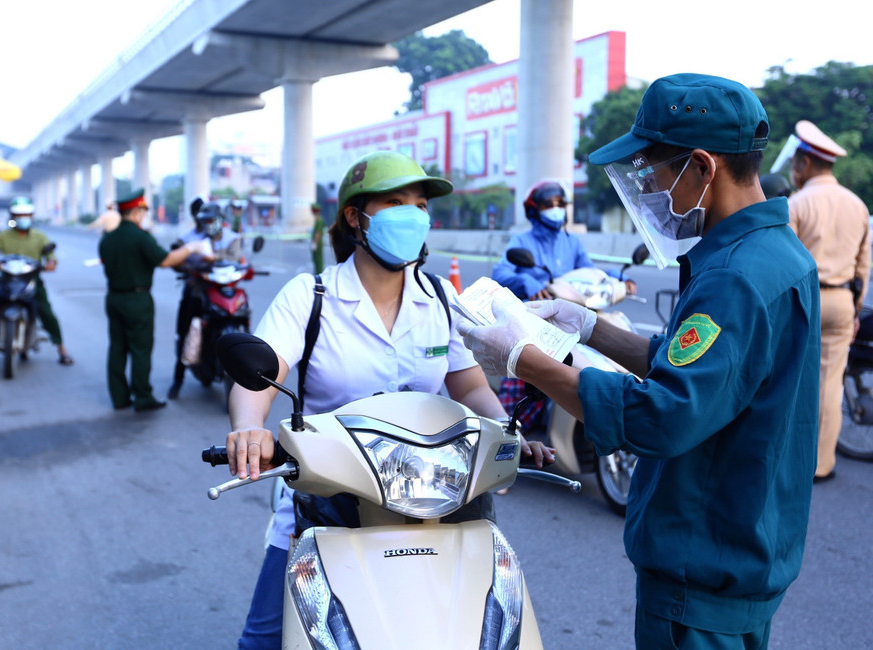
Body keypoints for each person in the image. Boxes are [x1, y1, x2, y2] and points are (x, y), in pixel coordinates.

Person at [457, 74, 820, 649]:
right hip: (743, 543)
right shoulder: (772, 253)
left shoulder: (733, 278)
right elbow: (707, 376)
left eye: (651, 168)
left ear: (703, 168)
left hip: (700, 567)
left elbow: (663, 416)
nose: (646, 185)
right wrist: (591, 326)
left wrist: (524, 359)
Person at [224, 150, 553, 650]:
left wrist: (509, 429)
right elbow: (260, 377)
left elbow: (468, 386)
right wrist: (249, 427)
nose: (414, 215)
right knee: (266, 639)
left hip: (430, 492)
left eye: (420, 204)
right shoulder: (310, 296)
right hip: (328, 493)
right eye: (395, 202)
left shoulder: (440, 298)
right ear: (356, 218)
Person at [491, 179, 635, 431]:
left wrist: (617, 278)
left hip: (570, 319)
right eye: (549, 204)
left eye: (560, 204)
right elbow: (501, 273)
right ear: (534, 209)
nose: (556, 209)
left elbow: (588, 271)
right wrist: (527, 281)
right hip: (536, 320)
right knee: (521, 367)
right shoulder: (522, 242)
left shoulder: (571, 242)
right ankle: (510, 427)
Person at [786, 120, 871, 482]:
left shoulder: (796, 204)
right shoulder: (858, 206)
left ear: (804, 164)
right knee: (829, 383)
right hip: (841, 302)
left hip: (805, 300)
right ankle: (822, 463)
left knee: (789, 380)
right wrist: (853, 312)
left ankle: (787, 458)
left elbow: (784, 265)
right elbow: (862, 267)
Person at [98, 188, 208, 411]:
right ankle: (142, 397)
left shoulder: (107, 239)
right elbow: (166, 260)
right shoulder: (141, 237)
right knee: (140, 349)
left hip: (113, 298)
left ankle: (119, 398)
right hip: (138, 300)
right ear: (137, 211)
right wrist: (191, 248)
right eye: (143, 211)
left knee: (117, 348)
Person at [0, 197, 74, 365]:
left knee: (46, 311)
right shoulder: (3, 236)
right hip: (7, 278)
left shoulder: (39, 236)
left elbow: (49, 254)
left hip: (31, 279)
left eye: (27, 215)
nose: (23, 218)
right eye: (19, 215)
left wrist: (51, 262)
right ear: (12, 217)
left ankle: (61, 348)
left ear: (31, 216)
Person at [167, 201, 243, 399]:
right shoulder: (190, 239)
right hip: (197, 293)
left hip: (223, 291)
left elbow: (237, 259)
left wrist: (215, 258)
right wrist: (189, 267)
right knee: (184, 333)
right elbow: (175, 260)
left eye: (211, 220)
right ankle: (177, 380)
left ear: (220, 220)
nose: (208, 224)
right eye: (204, 221)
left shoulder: (232, 238)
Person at [309, 202, 325, 273]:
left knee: (318, 260)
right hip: (317, 243)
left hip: (317, 243)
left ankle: (319, 274)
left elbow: (317, 233)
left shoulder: (319, 220)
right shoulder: (317, 219)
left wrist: (314, 243)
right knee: (316, 260)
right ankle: (317, 273)